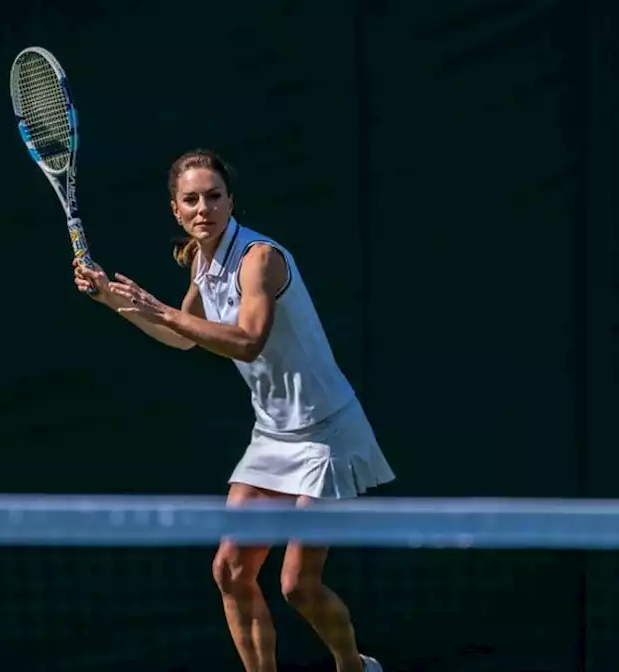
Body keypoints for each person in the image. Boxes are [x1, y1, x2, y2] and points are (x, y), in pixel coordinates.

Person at [73, 149, 394, 672]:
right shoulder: (203, 261)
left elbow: (247, 342)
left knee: (297, 585)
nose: (204, 208)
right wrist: (112, 298)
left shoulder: (258, 259)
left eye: (214, 196)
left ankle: (354, 667)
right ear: (176, 210)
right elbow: (181, 338)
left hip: (327, 432)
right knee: (230, 569)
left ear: (231, 201)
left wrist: (165, 311)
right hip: (273, 435)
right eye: (191, 199)